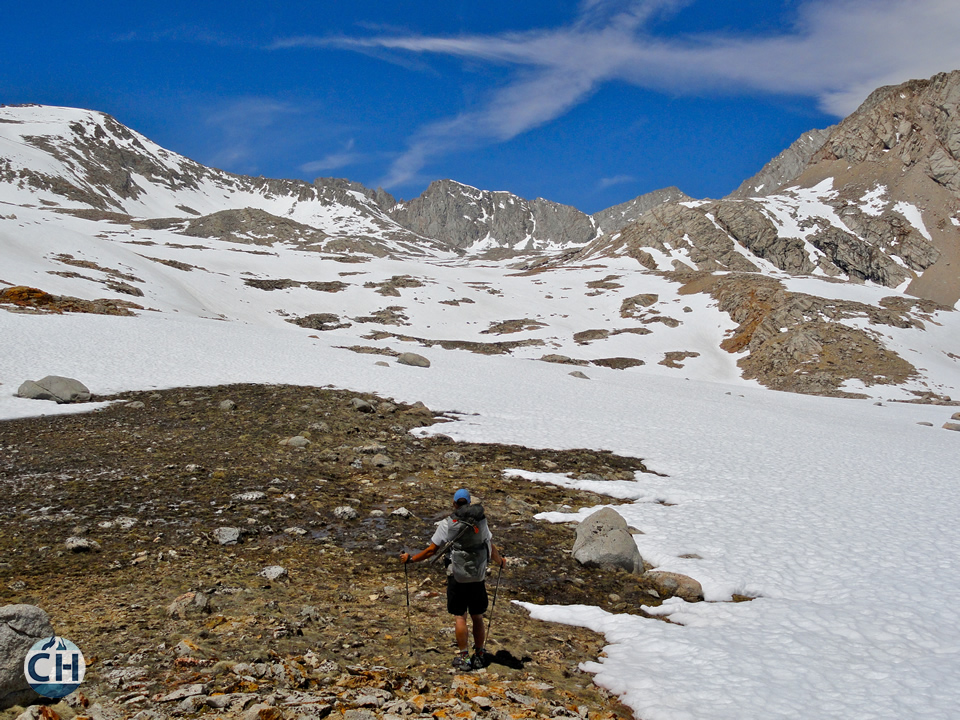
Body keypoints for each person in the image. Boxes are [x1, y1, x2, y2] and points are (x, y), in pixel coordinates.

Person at [400, 488, 506, 671]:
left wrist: (411, 559)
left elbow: (431, 551)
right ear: (470, 503)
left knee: (460, 617)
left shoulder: (447, 524)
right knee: (478, 616)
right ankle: (480, 654)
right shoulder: (481, 523)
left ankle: (464, 658)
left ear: (454, 504)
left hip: (457, 576)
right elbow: (490, 545)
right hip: (478, 576)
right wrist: (500, 561)